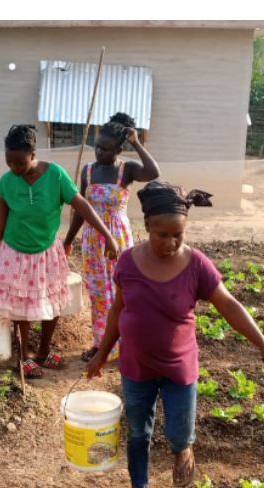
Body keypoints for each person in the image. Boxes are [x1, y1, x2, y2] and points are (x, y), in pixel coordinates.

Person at [86, 180, 264, 488]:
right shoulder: (127, 262)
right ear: (147, 226)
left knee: (180, 431)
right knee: (137, 431)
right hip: (136, 366)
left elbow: (228, 305)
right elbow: (117, 310)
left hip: (178, 367)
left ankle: (183, 448)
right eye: (162, 235)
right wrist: (101, 353)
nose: (170, 242)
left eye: (177, 235)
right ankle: (138, 487)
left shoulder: (196, 265)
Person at [0, 124, 119, 379]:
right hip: (16, 254)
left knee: (52, 302)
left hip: (47, 252)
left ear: (33, 154)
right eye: (9, 162)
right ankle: (25, 354)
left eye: (20, 162)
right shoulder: (6, 182)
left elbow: (82, 206)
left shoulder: (55, 175)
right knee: (21, 305)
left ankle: (44, 349)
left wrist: (108, 236)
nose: (14, 168)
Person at [62, 113, 160, 361]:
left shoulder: (127, 170)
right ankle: (100, 345)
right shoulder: (88, 171)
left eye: (106, 149)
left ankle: (127, 344)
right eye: (97, 147)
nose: (99, 153)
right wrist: (68, 240)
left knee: (122, 292)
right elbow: (80, 210)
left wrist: (136, 142)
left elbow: (153, 172)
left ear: (118, 149)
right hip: (92, 240)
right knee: (97, 293)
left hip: (118, 238)